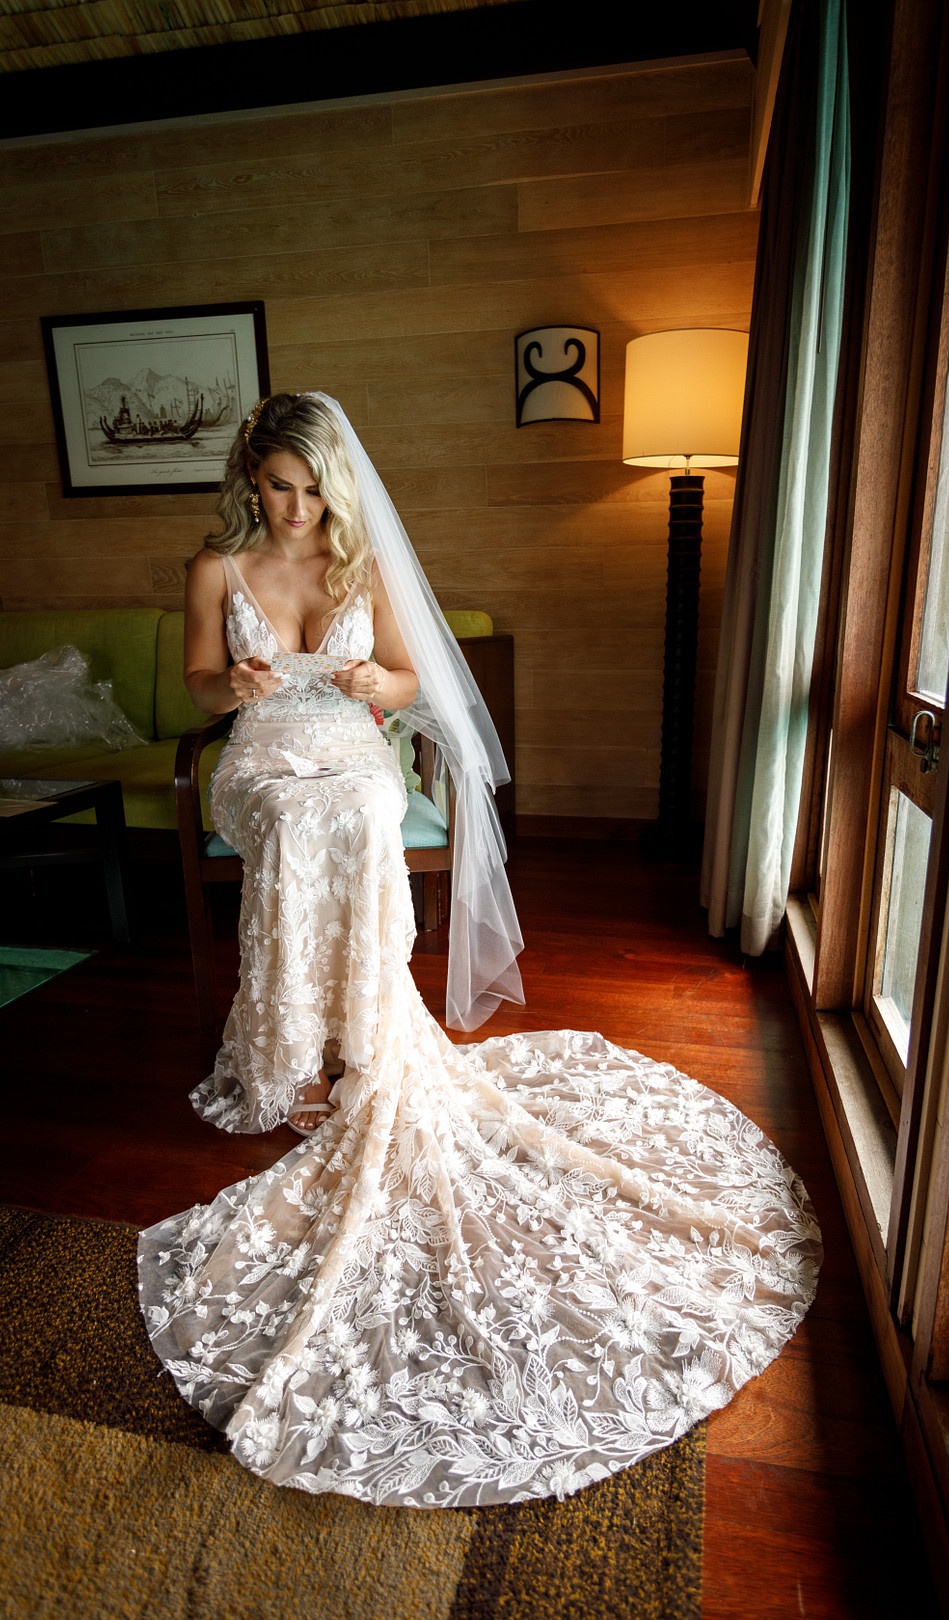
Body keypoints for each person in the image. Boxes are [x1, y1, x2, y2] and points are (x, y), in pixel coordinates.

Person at [137, 392, 821, 1510]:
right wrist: (240, 688)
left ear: (334, 488)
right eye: (280, 488)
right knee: (298, 819)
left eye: (314, 490)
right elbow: (201, 688)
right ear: (249, 480)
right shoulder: (215, 567)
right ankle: (287, 1050)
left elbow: (408, 686)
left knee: (356, 817)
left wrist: (372, 687)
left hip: (355, 758)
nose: (300, 509)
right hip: (259, 762)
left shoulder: (362, 569)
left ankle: (361, 1030)